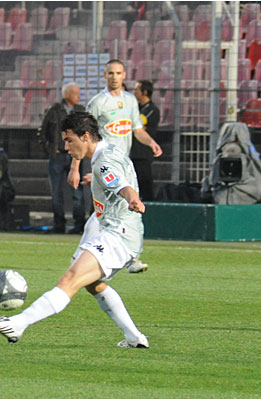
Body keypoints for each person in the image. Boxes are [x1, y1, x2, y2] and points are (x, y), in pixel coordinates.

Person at [0, 111, 149, 348]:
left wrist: (132, 198)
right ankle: (134, 337)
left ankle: (18, 324)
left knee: (70, 278)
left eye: (69, 140)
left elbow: (121, 185)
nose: (66, 147)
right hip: (114, 229)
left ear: (86, 136)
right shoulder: (108, 150)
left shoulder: (103, 162)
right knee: (92, 284)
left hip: (118, 234)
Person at [69, 59, 162, 274]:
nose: (114, 77)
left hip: (123, 165)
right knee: (107, 212)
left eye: (118, 73)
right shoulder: (98, 102)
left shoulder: (130, 101)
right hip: (104, 163)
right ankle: (119, 255)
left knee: (121, 210)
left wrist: (151, 143)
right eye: (110, 73)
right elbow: (82, 136)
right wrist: (76, 167)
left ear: (124, 75)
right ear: (104, 75)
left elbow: (137, 130)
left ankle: (125, 255)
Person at [38, 82, 89, 234]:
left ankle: (79, 225)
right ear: (67, 95)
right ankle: (59, 224)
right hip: (58, 155)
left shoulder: (81, 111)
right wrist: (49, 150)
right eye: (76, 94)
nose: (79, 97)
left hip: (75, 156)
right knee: (56, 192)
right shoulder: (54, 110)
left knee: (77, 192)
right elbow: (43, 131)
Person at [130, 80, 160, 201]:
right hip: (131, 153)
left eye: (137, 89)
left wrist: (136, 126)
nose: (134, 92)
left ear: (145, 92)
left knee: (145, 185)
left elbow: (136, 124)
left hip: (142, 154)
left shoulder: (152, 109)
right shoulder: (135, 107)